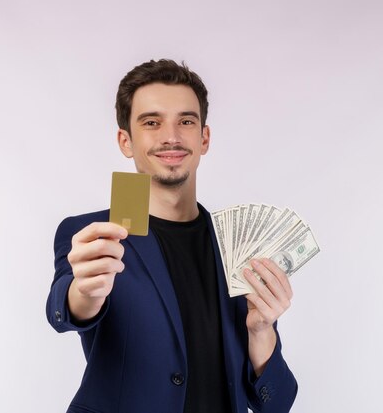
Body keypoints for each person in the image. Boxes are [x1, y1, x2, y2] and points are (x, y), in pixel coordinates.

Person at [46, 59, 298, 413]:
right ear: (125, 140)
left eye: (186, 121)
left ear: (204, 138)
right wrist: (83, 292)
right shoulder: (93, 236)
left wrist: (261, 331)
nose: (171, 136)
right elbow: (65, 310)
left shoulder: (238, 246)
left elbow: (277, 402)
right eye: (151, 122)